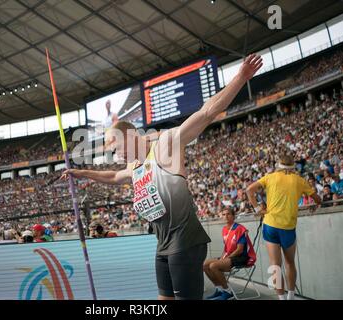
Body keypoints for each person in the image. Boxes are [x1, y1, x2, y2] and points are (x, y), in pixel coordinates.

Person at [62, 54, 263, 300]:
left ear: (131, 136)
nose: (115, 154)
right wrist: (81, 172)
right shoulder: (136, 166)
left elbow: (207, 112)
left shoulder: (166, 145)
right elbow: (114, 176)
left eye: (115, 147)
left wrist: (240, 77)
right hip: (164, 244)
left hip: (185, 242)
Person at [246, 152, 321, 300]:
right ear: (293, 166)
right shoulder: (299, 180)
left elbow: (249, 190)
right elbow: (317, 199)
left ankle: (281, 298)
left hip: (270, 225)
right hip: (288, 226)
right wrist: (315, 204)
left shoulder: (270, 177)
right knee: (290, 263)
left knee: (275, 265)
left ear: (279, 165)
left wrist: (258, 209)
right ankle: (291, 296)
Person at [203, 207, 257, 300]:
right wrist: (224, 257)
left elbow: (240, 249)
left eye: (228, 214)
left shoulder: (240, 228)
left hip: (241, 257)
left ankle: (228, 291)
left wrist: (225, 258)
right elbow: (226, 248)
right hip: (230, 256)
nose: (226, 216)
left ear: (233, 216)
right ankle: (219, 289)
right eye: (224, 214)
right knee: (204, 265)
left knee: (213, 266)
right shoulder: (224, 229)